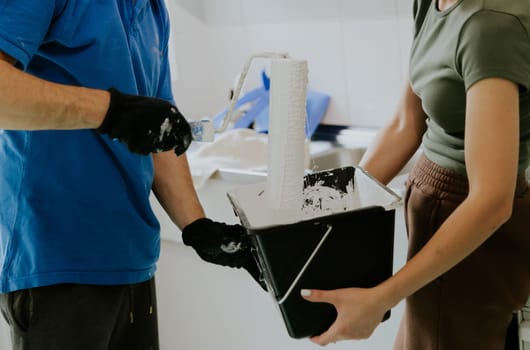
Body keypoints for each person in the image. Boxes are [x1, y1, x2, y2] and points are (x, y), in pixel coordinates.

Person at [0, 1, 263, 349]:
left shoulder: (152, 10)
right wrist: (112, 111)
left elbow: (158, 130)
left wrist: (197, 226)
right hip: (56, 260)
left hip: (131, 258)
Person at [301, 0, 530, 349]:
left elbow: (492, 200)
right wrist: (331, 203)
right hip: (434, 214)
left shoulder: (489, 24)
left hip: (471, 231)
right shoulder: (431, 3)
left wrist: (382, 298)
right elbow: (405, 125)